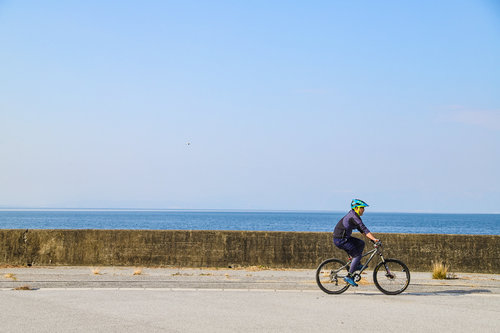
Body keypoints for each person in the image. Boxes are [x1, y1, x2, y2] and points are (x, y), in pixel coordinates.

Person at [333, 199, 379, 287]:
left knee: (361, 243)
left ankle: (356, 265)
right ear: (356, 208)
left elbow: (361, 230)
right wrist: (375, 239)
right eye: (362, 208)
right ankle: (349, 276)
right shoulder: (353, 217)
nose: (364, 210)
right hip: (341, 240)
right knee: (357, 255)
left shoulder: (354, 216)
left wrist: (372, 239)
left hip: (343, 238)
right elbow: (364, 229)